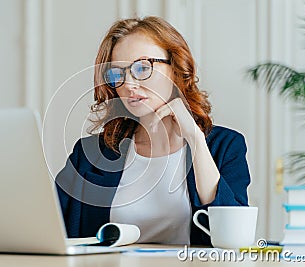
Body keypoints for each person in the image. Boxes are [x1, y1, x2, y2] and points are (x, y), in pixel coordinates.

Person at [54, 16, 250, 246]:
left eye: (142, 68)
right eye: (118, 73)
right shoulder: (90, 154)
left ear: (176, 68)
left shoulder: (226, 146)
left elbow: (233, 239)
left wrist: (195, 139)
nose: (128, 84)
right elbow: (46, 227)